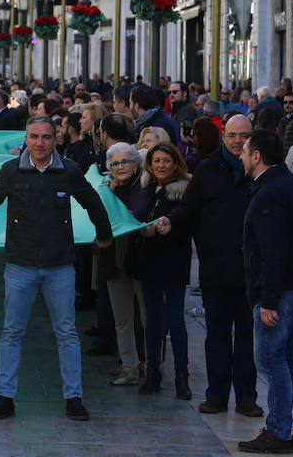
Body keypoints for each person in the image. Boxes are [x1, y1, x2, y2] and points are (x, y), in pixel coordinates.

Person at [0, 116, 113, 422]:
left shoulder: (69, 171)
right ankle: (5, 397)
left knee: (66, 332)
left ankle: (74, 397)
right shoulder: (11, 172)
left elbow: (93, 202)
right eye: (34, 137)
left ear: (55, 139)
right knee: (12, 331)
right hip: (20, 265)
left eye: (46, 137)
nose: (39, 143)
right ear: (26, 139)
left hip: (60, 266)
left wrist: (104, 233)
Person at [158, 115, 263, 416]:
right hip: (216, 267)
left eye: (244, 135)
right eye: (232, 135)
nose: (238, 141)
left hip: (251, 269)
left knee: (246, 336)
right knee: (217, 335)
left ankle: (246, 397)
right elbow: (188, 208)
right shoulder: (208, 169)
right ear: (223, 135)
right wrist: (170, 221)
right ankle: (216, 395)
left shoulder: (260, 169)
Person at [238, 130, 293, 454]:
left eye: (245, 151)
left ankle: (278, 431)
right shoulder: (292, 183)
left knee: (272, 359)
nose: (242, 156)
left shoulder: (268, 193)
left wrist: (268, 300)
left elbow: (273, 250)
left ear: (257, 155)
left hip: (282, 291)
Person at [130, 143, 193, 399]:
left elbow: (187, 217)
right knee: (152, 320)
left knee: (176, 320)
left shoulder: (185, 191)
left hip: (174, 260)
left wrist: (167, 225)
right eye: (157, 160)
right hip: (149, 260)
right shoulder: (145, 189)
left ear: (175, 163)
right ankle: (153, 372)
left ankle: (181, 376)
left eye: (166, 160)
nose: (161, 165)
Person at [102, 142, 146, 386]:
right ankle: (129, 367)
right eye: (115, 163)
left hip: (140, 262)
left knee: (147, 318)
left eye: (125, 162)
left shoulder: (144, 188)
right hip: (115, 262)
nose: (121, 167)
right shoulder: (107, 190)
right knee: (122, 318)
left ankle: (150, 366)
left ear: (136, 163)